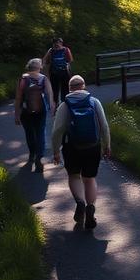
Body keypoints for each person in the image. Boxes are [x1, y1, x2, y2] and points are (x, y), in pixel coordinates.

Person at [51, 75, 111, 229]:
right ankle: (90, 207)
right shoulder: (94, 102)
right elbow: (104, 126)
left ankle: (80, 203)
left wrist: (56, 151)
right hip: (93, 146)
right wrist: (107, 145)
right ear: (84, 86)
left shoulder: (65, 105)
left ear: (70, 88)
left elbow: (57, 131)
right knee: (89, 179)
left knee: (74, 176)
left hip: (72, 147)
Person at [14, 58, 55, 172]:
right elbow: (49, 94)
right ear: (39, 67)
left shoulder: (22, 79)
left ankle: (32, 154)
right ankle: (39, 157)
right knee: (40, 132)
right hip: (41, 110)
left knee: (29, 133)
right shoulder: (43, 79)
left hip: (26, 111)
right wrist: (51, 106)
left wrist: (17, 114)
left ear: (29, 67)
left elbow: (18, 97)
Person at [43, 37, 74, 104]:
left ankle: (64, 103)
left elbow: (70, 60)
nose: (57, 44)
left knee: (65, 89)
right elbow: (45, 60)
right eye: (55, 43)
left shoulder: (66, 50)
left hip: (64, 72)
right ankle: (55, 104)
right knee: (54, 90)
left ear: (61, 43)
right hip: (54, 73)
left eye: (58, 42)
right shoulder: (51, 51)